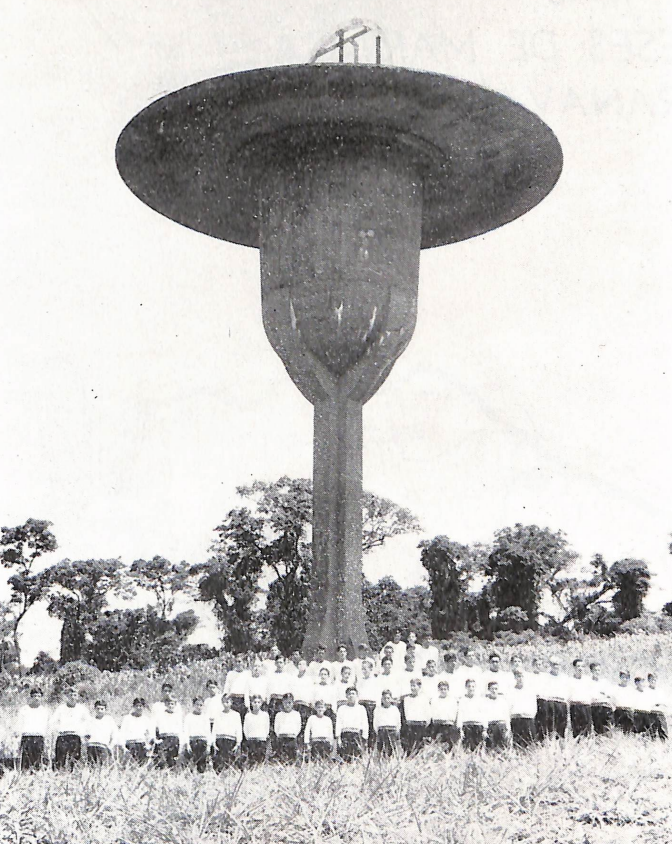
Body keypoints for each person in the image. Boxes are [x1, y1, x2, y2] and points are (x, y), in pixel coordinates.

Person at [50, 685, 91, 770]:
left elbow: (89, 722)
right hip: (63, 737)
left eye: (75, 695)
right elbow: (53, 722)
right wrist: (57, 731)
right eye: (70, 695)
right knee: (60, 760)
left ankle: (72, 778)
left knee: (74, 760)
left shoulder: (82, 709)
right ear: (66, 696)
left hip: (75, 737)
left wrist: (84, 733)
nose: (72, 697)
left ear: (77, 696)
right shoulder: (60, 708)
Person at [14, 687, 49, 771]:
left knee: (38, 762)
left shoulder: (44, 711)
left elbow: (46, 726)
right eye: (34, 696)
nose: (36, 698)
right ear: (31, 697)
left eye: (38, 696)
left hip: (39, 738)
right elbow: (18, 725)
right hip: (27, 738)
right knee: (26, 763)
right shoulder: (24, 710)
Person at [335, 687, 368, 761]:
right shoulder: (341, 709)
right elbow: (338, 724)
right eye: (349, 694)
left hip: (356, 735)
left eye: (353, 694)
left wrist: (364, 739)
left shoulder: (361, 708)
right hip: (345, 735)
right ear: (346, 696)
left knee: (356, 758)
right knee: (345, 758)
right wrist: (338, 739)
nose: (351, 696)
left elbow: (365, 724)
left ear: (357, 696)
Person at [211, 693, 242, 772]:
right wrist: (213, 742)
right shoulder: (218, 714)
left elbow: (238, 729)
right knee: (219, 762)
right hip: (220, 740)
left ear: (231, 702)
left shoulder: (236, 715)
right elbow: (214, 729)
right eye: (224, 701)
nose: (226, 703)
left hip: (231, 740)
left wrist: (238, 743)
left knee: (229, 760)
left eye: (228, 701)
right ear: (222, 702)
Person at [118, 697, 154, 763]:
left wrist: (148, 745)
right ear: (133, 707)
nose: (138, 708)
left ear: (143, 707)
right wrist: (124, 747)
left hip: (142, 745)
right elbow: (122, 733)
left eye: (140, 706)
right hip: (130, 745)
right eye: (136, 706)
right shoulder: (127, 718)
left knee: (142, 765)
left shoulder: (146, 719)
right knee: (131, 766)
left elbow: (150, 734)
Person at [400, 678, 430, 755]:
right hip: (410, 725)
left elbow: (427, 713)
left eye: (414, 686)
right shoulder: (406, 699)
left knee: (419, 746)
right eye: (411, 686)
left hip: (420, 725)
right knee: (409, 746)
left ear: (419, 687)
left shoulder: (424, 698)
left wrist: (425, 724)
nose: (413, 688)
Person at [509, 671, 537, 747]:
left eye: (522, 676)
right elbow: (508, 706)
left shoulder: (530, 690)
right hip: (516, 719)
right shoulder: (510, 690)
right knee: (517, 743)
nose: (520, 678)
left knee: (529, 743)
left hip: (527, 719)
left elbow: (534, 706)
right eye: (518, 676)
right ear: (515, 678)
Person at [542, 657, 569, 739]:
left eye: (558, 664)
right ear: (550, 665)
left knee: (561, 727)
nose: (556, 666)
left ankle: (561, 747)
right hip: (550, 703)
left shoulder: (565, 678)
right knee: (550, 726)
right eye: (554, 664)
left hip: (562, 703)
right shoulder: (545, 676)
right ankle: (551, 745)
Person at [184, 696, 212, 772]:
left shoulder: (205, 717)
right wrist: (187, 744)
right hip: (192, 742)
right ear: (193, 705)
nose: (199, 707)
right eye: (197, 705)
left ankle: (201, 778)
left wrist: (209, 745)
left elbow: (208, 732)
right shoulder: (189, 717)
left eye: (201, 705)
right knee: (192, 763)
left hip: (203, 742)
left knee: (202, 764)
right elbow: (186, 731)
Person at [154, 694, 183, 768]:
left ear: (175, 705)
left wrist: (181, 742)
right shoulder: (160, 715)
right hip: (164, 738)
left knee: (173, 760)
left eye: (172, 704)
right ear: (165, 704)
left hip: (174, 738)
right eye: (168, 703)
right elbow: (155, 727)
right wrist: (156, 739)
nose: (170, 705)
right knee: (162, 759)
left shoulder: (177, 716)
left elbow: (180, 730)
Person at [456, 679, 486, 751]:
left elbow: (484, 714)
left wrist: (485, 729)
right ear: (466, 687)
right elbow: (460, 714)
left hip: (478, 726)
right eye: (469, 686)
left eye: (473, 686)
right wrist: (460, 729)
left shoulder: (480, 700)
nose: (471, 688)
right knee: (466, 749)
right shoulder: (462, 700)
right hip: (466, 726)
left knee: (478, 749)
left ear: (475, 687)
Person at [430, 680, 460, 750]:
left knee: (448, 746)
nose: (443, 691)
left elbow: (455, 713)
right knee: (437, 746)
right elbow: (432, 713)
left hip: (448, 725)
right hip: (437, 725)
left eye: (445, 689)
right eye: (441, 689)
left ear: (448, 690)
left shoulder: (453, 700)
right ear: (438, 690)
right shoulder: (434, 700)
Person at [273, 693, 302, 763]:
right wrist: (280, 735)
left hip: (292, 739)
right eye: (285, 702)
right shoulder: (279, 715)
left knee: (292, 759)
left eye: (289, 702)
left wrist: (293, 735)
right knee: (282, 758)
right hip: (281, 739)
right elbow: (276, 728)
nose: (287, 705)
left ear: (293, 703)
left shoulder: (296, 714)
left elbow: (298, 727)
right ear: (282, 703)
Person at [87, 699, 117, 764]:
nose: (99, 711)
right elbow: (85, 734)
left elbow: (115, 734)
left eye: (102, 709)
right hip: (92, 747)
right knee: (91, 767)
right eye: (98, 709)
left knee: (103, 767)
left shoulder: (109, 720)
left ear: (105, 710)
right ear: (94, 709)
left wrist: (110, 746)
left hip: (103, 747)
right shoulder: (90, 720)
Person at [482, 680, 511, 750]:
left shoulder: (503, 701)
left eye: (496, 689)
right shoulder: (485, 701)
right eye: (492, 689)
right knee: (491, 748)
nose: (494, 691)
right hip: (491, 726)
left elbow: (506, 715)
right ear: (489, 690)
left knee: (503, 748)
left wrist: (508, 729)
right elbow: (484, 716)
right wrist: (484, 730)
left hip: (502, 726)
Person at [568, 658, 593, 738]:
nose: (580, 668)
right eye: (578, 666)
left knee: (587, 730)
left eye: (582, 666)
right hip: (575, 706)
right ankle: (577, 747)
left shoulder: (588, 680)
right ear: (574, 667)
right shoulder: (570, 680)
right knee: (576, 729)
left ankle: (586, 748)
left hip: (586, 707)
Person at [243, 694, 270, 765]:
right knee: (251, 760)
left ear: (261, 703)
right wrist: (249, 737)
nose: (256, 704)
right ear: (251, 703)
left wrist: (263, 736)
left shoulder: (265, 715)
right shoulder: (248, 715)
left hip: (261, 740)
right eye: (254, 702)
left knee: (260, 760)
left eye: (258, 702)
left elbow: (267, 728)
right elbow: (245, 728)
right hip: (251, 740)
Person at [373, 689, 401, 756]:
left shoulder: (394, 709)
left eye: (388, 698)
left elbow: (398, 722)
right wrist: (379, 731)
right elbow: (375, 723)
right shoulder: (378, 709)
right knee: (381, 750)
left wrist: (395, 731)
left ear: (391, 699)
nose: (386, 700)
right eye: (384, 698)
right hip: (382, 731)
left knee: (391, 751)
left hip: (392, 731)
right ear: (381, 699)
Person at [588, 661, 614, 735]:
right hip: (594, 707)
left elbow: (609, 695)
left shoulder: (604, 682)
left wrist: (603, 694)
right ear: (591, 671)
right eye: (595, 670)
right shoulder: (588, 682)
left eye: (599, 670)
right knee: (596, 727)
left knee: (607, 727)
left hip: (604, 707)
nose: (597, 672)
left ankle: (607, 743)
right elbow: (590, 695)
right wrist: (601, 694)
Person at [291, 659, 314, 733]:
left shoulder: (309, 679)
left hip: (305, 705)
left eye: (303, 664)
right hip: (296, 705)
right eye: (300, 664)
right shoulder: (294, 678)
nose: (301, 666)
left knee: (304, 725)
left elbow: (311, 692)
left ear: (306, 666)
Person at [646, 673, 668, 740]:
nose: (653, 681)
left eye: (654, 680)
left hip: (660, 713)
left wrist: (660, 704)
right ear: (648, 680)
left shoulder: (660, 691)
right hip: (650, 713)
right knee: (651, 733)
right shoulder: (645, 690)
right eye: (651, 679)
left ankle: (664, 746)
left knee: (663, 732)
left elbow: (664, 703)